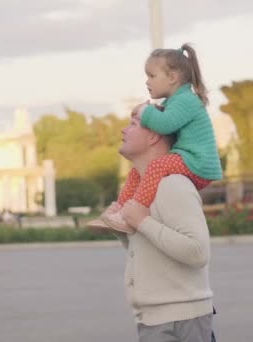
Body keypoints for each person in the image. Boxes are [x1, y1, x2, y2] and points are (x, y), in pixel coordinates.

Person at [101, 104, 215, 342]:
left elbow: (198, 251)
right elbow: (153, 252)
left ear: (154, 135)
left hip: (179, 321)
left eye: (132, 124)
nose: (123, 130)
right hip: (157, 318)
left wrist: (141, 221)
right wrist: (122, 229)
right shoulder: (145, 187)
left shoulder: (173, 184)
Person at [100, 43, 222, 232]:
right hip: (187, 158)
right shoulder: (174, 101)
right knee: (136, 171)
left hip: (197, 162)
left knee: (157, 165)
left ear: (172, 77)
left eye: (152, 76)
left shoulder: (186, 100)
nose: (147, 82)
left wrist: (144, 110)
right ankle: (120, 210)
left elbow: (165, 124)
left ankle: (135, 212)